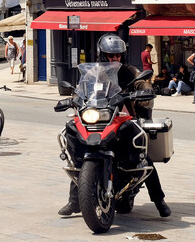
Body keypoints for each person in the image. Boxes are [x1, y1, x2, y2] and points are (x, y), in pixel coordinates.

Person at [58, 33, 171, 219]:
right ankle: (74, 200)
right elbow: (82, 89)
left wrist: (145, 91)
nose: (115, 58)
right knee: (78, 141)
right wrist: (74, 98)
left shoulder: (129, 71)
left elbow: (142, 82)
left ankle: (159, 200)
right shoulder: (93, 72)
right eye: (111, 56)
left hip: (123, 117)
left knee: (143, 158)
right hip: (99, 117)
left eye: (118, 55)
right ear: (102, 55)